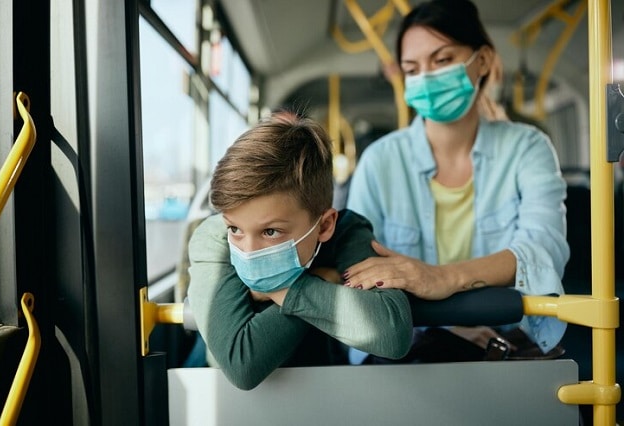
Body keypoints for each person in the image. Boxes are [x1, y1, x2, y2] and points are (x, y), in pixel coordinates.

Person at [344, 0, 569, 362]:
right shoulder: (379, 162)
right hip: (407, 341)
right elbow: (356, 274)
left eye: (443, 60)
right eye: (412, 69)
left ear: (481, 61)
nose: (427, 78)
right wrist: (446, 327)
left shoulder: (528, 148)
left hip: (508, 336)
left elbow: (542, 251)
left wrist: (441, 278)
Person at [186, 111, 413, 390]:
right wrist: (320, 280)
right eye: (236, 229)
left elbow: (391, 333)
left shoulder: (345, 232)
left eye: (270, 232)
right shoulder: (214, 239)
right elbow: (242, 364)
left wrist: (284, 292)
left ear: (324, 225)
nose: (248, 251)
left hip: (320, 395)